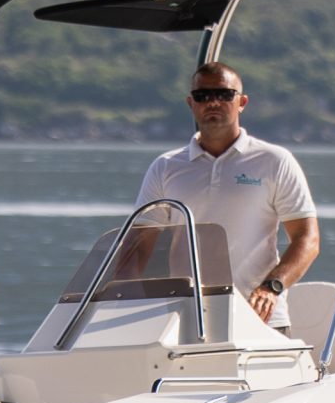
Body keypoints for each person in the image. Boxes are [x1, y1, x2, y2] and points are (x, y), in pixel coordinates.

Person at [133, 61, 319, 326]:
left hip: (261, 319)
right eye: (203, 96)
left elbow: (307, 239)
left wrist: (271, 288)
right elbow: (138, 247)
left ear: (241, 102)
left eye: (224, 94)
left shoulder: (275, 161)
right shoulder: (165, 167)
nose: (213, 102)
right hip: (185, 318)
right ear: (191, 103)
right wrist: (117, 301)